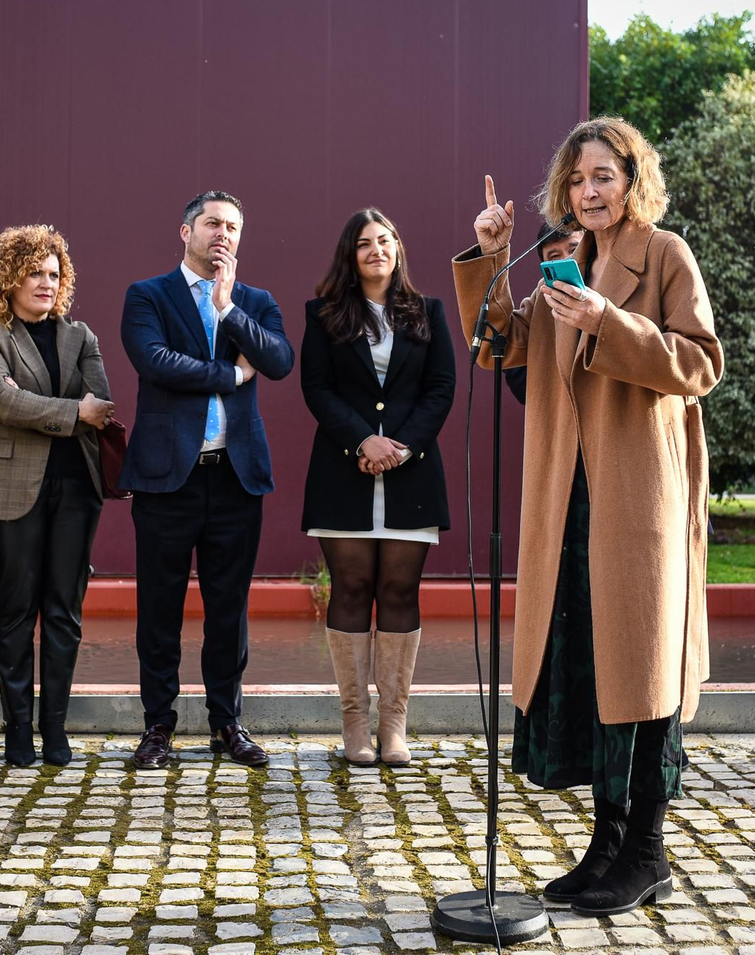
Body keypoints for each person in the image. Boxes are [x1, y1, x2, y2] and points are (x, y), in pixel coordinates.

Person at [454, 118, 722, 916]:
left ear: (633, 180)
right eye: (576, 180)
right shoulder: (565, 264)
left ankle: (647, 852)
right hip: (570, 502)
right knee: (594, 671)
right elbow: (498, 348)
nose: (588, 191)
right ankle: (604, 847)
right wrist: (495, 258)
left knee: (640, 677)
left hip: (640, 503)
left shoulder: (666, 255)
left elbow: (700, 363)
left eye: (603, 175)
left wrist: (609, 324)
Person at [120, 190, 294, 769]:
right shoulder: (147, 295)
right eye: (213, 223)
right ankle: (158, 727)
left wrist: (226, 308)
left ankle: (227, 723)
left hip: (235, 480)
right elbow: (155, 362)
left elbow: (279, 361)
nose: (224, 234)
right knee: (160, 607)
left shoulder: (254, 302)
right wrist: (232, 377)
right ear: (185, 231)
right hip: (167, 479)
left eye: (234, 227)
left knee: (228, 609)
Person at [300, 208, 455, 766]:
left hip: (411, 475)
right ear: (351, 253)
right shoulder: (322, 315)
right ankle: (354, 729)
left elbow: (440, 389)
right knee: (350, 588)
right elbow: (317, 389)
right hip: (344, 473)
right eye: (364, 243)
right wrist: (363, 441)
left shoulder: (429, 312)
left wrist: (402, 446)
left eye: (384, 241)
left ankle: (394, 728)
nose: (375, 251)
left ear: (398, 248)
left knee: (398, 592)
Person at [0, 225, 114, 767]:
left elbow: (104, 402)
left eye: (54, 274)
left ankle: (55, 730)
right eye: (34, 272)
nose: (46, 283)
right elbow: (6, 403)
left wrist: (71, 410)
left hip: (78, 487)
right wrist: (73, 412)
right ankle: (17, 733)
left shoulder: (82, 336)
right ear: (7, 278)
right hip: (12, 490)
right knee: (14, 609)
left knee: (64, 612)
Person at [503, 221, 583, 405]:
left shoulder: (615, 290)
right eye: (555, 256)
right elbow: (521, 385)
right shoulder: (539, 305)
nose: (566, 260)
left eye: (574, 249)